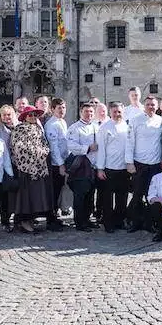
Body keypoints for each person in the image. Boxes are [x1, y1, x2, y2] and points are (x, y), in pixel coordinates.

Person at [9, 106, 55, 234]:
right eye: (30, 115)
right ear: (25, 117)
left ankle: (31, 219)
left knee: (36, 195)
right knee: (25, 196)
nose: (33, 117)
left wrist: (43, 151)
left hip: (40, 168)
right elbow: (18, 147)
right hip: (26, 169)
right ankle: (23, 221)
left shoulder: (38, 128)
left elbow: (44, 144)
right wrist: (35, 152)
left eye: (35, 115)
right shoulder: (19, 129)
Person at [125, 96, 162, 232]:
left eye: (153, 105)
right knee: (137, 195)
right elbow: (130, 142)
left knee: (151, 195)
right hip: (139, 163)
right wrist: (129, 162)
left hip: (155, 164)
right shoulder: (135, 120)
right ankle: (135, 222)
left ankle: (149, 223)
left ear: (157, 106)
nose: (150, 107)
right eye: (148, 104)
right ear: (144, 106)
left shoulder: (161, 120)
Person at [96, 102, 130, 233]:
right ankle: (108, 223)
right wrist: (100, 168)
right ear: (110, 112)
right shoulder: (104, 127)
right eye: (114, 112)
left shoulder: (126, 126)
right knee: (107, 199)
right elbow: (101, 149)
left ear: (123, 112)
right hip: (109, 168)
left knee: (122, 198)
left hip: (124, 168)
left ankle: (119, 221)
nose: (117, 114)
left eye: (119, 111)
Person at [66, 103, 99, 231]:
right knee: (80, 196)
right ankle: (80, 222)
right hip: (81, 167)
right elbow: (71, 145)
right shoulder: (75, 128)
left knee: (90, 195)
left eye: (91, 112)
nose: (89, 114)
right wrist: (87, 148)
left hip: (93, 167)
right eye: (86, 111)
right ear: (81, 112)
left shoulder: (96, 126)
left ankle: (87, 218)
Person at [43, 98, 69, 231]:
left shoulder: (62, 122)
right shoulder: (51, 125)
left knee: (59, 191)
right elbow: (54, 148)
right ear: (52, 109)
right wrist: (60, 165)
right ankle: (50, 220)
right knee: (53, 192)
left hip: (63, 161)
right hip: (55, 164)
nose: (62, 110)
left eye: (63, 108)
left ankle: (55, 216)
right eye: (59, 108)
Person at [0, 104, 19, 232]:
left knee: (18, 193)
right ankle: (5, 220)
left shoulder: (19, 127)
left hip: (18, 165)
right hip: (4, 166)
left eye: (9, 114)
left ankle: (18, 218)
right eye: (4, 115)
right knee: (5, 194)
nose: (7, 117)